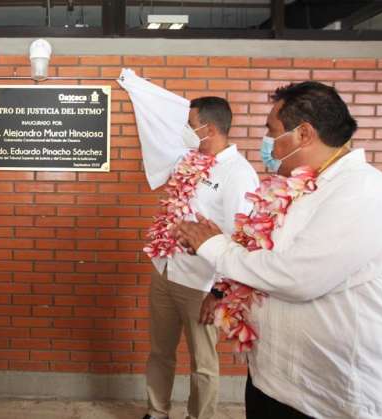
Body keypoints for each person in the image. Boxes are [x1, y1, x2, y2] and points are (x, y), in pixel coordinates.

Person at [177, 81, 382, 418]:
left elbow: (296, 278)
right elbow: (262, 255)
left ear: (304, 134)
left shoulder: (364, 193)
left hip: (328, 399)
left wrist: (216, 248)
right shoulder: (296, 188)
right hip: (271, 381)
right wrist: (220, 249)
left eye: (272, 130)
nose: (267, 142)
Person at [143, 97, 259, 419]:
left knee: (203, 364)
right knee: (160, 352)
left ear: (207, 129)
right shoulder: (190, 161)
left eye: (190, 124)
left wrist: (219, 292)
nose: (186, 130)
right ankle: (157, 412)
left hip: (203, 284)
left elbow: (243, 238)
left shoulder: (239, 174)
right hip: (167, 271)